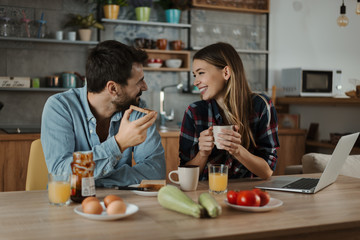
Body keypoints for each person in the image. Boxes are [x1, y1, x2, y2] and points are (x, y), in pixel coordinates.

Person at [41, 40, 165, 187]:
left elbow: (155, 171)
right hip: (70, 205)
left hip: (121, 205)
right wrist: (118, 144)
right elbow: (60, 175)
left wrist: (94, 180)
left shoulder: (137, 109)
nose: (145, 87)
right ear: (113, 88)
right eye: (139, 81)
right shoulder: (60, 107)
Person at [179, 42, 279, 180]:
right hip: (206, 193)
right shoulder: (194, 112)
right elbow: (183, 177)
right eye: (195, 75)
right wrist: (202, 153)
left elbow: (267, 172)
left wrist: (237, 151)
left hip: (247, 194)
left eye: (201, 73)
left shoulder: (261, 106)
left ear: (226, 72)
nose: (196, 82)